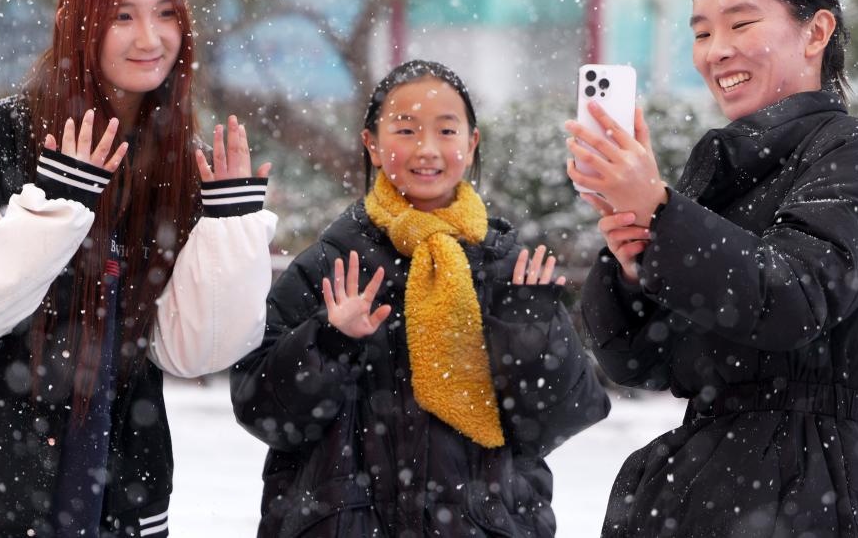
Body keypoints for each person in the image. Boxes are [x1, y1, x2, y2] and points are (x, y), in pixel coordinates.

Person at [566, 0, 858, 537]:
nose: (716, 52)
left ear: (816, 33)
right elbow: (638, 359)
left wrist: (661, 213)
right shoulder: (725, 178)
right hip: (709, 483)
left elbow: (792, 300)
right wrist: (632, 259)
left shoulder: (854, 153)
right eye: (703, 32)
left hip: (820, 490)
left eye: (741, 24)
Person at [0, 0, 277, 537]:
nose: (149, 38)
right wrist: (63, 201)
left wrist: (230, 225)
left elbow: (191, 351)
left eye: (165, 14)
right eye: (123, 16)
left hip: (123, 480)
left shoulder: (177, 158)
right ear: (76, 22)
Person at [231, 59, 610, 537]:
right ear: (371, 143)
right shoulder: (332, 265)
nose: (427, 149)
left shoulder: (507, 268)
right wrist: (329, 339)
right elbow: (263, 412)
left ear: (471, 144)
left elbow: (556, 422)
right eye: (405, 130)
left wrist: (527, 334)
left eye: (446, 130)